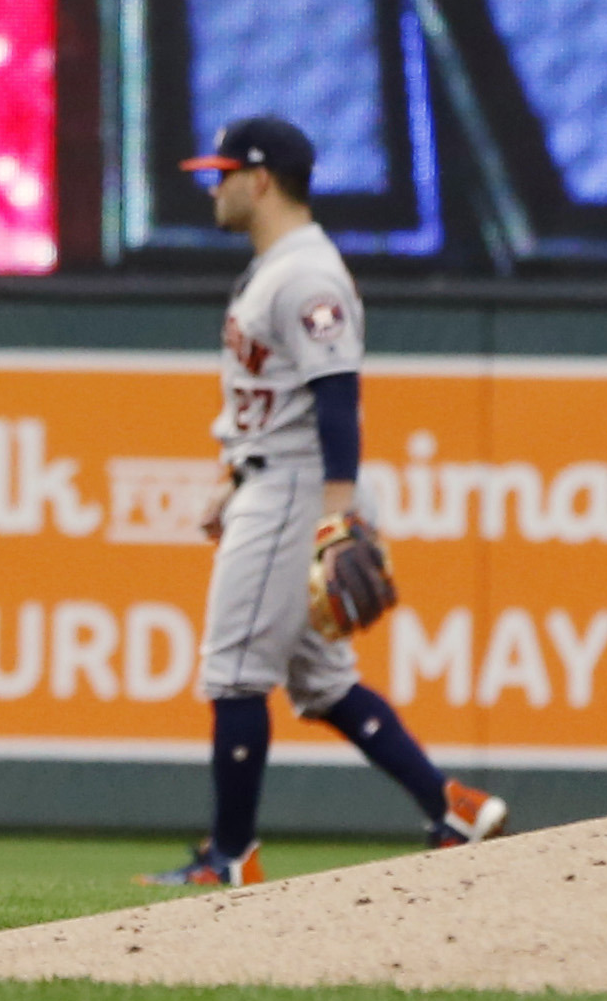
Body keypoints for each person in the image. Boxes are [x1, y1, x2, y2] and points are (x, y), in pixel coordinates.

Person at [142, 115, 510, 888]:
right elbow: (275, 397)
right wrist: (231, 478)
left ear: (261, 178)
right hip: (271, 476)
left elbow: (337, 397)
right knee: (323, 681)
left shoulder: (307, 274)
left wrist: (336, 516)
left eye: (223, 172)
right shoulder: (280, 266)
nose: (215, 186)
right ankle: (453, 807)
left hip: (296, 489)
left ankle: (230, 859)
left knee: (234, 674)